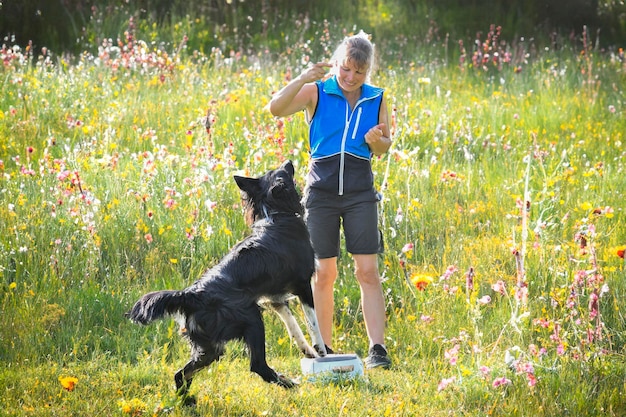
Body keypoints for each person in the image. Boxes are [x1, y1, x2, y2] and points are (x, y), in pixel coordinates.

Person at [268, 31, 392, 369]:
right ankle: (324, 349)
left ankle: (377, 350)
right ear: (336, 64)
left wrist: (375, 140)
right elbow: (275, 108)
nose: (351, 78)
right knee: (323, 272)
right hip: (320, 193)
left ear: (368, 73)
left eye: (359, 73)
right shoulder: (316, 91)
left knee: (367, 271)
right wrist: (303, 78)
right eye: (345, 70)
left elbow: (384, 147)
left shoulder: (377, 98)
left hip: (360, 194)